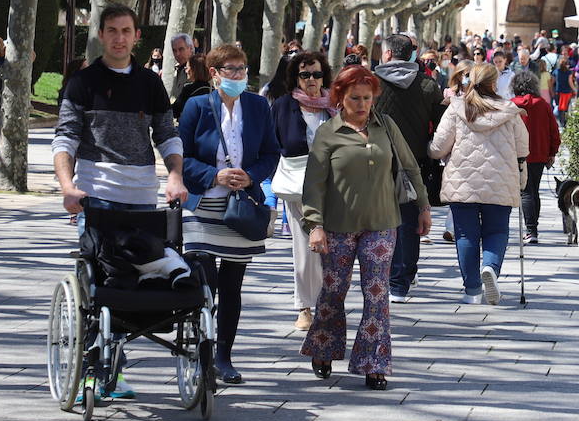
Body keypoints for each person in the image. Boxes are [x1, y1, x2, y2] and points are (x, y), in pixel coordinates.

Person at [52, 3, 186, 400]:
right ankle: (92, 370)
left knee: (137, 282)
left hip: (142, 195)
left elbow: (167, 135)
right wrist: (66, 185)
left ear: (137, 36)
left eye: (126, 31)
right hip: (96, 197)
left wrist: (175, 176)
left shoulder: (150, 83)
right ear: (100, 35)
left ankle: (116, 365)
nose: (119, 38)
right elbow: (66, 138)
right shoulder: (83, 83)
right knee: (97, 284)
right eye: (112, 30)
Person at [301, 65, 422, 391]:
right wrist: (314, 225)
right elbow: (314, 185)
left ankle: (374, 364)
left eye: (367, 98)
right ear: (340, 97)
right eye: (355, 98)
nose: (362, 104)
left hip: (382, 223)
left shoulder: (386, 126)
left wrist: (423, 206)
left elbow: (410, 166)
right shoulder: (328, 132)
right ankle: (324, 348)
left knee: (377, 294)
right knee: (333, 290)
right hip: (338, 226)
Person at [178, 43, 280, 384]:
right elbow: (182, 155)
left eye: (242, 69)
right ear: (215, 74)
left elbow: (270, 151)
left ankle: (224, 356)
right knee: (205, 278)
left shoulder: (257, 106)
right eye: (231, 70)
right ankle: (201, 350)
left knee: (232, 284)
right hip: (202, 203)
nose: (238, 76)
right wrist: (214, 176)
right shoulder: (197, 106)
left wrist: (251, 175)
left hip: (240, 206)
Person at [429, 62, 529, 305]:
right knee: (496, 231)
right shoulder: (510, 111)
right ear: (494, 84)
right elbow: (523, 148)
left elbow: (437, 148)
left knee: (465, 235)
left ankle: (472, 290)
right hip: (500, 180)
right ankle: (491, 268)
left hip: (463, 181)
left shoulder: (456, 108)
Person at [373, 33, 444, 303]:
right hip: (413, 162)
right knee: (408, 221)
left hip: (375, 160)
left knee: (377, 220)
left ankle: (382, 272)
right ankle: (401, 281)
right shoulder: (428, 85)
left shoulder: (373, 83)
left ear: (388, 54)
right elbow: (439, 125)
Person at [270, 51, 333, 331]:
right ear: (295, 77)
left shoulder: (335, 106)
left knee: (330, 249)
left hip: (333, 188)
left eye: (316, 74)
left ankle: (328, 305)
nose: (311, 80)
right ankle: (305, 307)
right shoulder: (283, 106)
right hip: (297, 187)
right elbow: (272, 145)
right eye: (305, 74)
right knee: (305, 249)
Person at [511, 70, 561, 244]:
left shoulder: (512, 105)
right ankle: (533, 229)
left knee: (526, 192)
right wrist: (552, 152)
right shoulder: (543, 104)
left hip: (517, 154)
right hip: (539, 154)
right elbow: (554, 131)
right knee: (534, 191)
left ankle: (530, 230)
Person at [171, 54, 212, 121]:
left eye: (187, 68)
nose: (186, 71)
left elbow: (175, 110)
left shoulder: (189, 89)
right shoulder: (212, 89)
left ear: (194, 69)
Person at [168, 32, 195, 102]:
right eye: (174, 50)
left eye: (181, 49)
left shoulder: (197, 68)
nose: (177, 54)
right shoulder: (176, 68)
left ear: (191, 48)